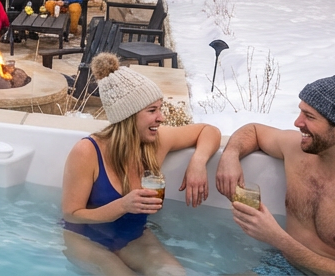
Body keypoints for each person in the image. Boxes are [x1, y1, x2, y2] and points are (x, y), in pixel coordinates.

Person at [214, 75, 335, 275]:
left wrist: (277, 238)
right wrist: (230, 155)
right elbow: (253, 130)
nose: (298, 122)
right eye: (300, 112)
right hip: (281, 266)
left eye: (309, 116)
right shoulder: (298, 152)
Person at [62, 53, 221, 276]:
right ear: (128, 116)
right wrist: (122, 206)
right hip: (86, 239)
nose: (161, 118)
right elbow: (71, 214)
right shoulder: (88, 151)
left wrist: (198, 162)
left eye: (160, 108)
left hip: (133, 237)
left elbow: (209, 131)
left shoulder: (156, 142)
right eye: (152, 111)